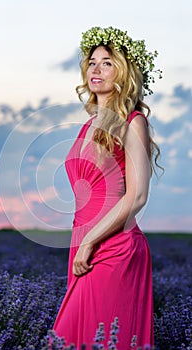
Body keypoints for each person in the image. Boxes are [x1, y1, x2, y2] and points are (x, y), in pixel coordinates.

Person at [53, 26, 162, 349]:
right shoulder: (89, 124)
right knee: (76, 339)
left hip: (114, 246)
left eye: (107, 63)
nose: (95, 69)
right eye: (92, 62)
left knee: (85, 339)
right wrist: (83, 242)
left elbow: (138, 195)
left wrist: (89, 241)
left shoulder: (133, 121)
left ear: (124, 73)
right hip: (83, 242)